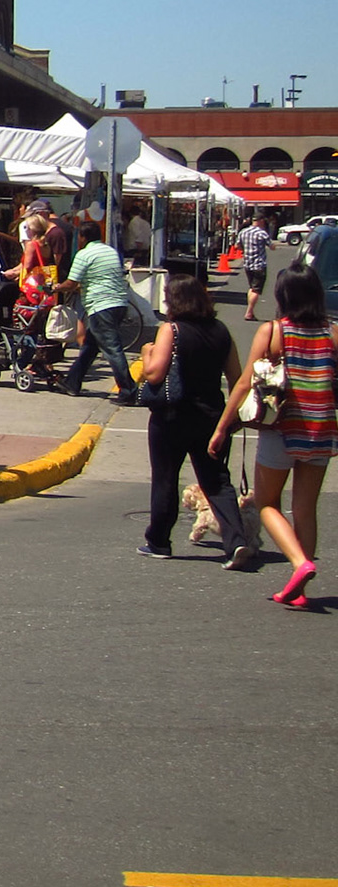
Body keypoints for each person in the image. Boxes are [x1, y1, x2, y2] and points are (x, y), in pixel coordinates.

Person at [212, 267, 334, 607]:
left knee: (267, 503)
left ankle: (300, 563)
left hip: (281, 428)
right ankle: (301, 588)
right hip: (320, 429)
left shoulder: (273, 332)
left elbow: (242, 383)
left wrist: (223, 427)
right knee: (305, 508)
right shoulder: (333, 333)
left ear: (282, 296)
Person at [135, 275, 251, 564]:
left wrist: (146, 353)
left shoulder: (171, 329)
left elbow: (155, 374)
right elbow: (237, 378)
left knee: (165, 478)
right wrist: (232, 417)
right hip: (211, 416)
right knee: (217, 481)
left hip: (172, 416)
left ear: (174, 301)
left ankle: (159, 541)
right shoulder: (221, 331)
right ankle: (236, 540)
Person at [56, 223, 138, 400]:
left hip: (101, 305)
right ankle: (72, 382)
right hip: (119, 303)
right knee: (90, 346)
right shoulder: (110, 251)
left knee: (112, 349)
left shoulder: (84, 254)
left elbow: (71, 283)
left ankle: (128, 391)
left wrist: (56, 288)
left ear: (83, 237)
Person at [237, 216, 272, 322]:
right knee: (256, 289)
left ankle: (251, 312)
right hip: (259, 264)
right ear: (261, 221)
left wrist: (246, 249)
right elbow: (271, 245)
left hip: (247, 263)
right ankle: (249, 311)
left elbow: (238, 246)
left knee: (252, 287)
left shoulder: (243, 232)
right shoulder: (262, 233)